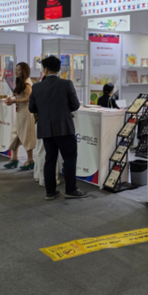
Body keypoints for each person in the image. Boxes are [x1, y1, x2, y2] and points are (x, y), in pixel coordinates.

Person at [29, 56, 88, 201]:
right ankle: (71, 190)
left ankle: (50, 192)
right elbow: (75, 105)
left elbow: (32, 108)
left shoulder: (36, 87)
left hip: (46, 128)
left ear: (45, 70)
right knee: (69, 158)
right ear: (59, 69)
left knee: (50, 159)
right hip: (64, 128)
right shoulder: (66, 84)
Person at [4, 62, 36, 170]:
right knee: (15, 135)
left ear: (24, 71)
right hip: (20, 112)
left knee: (26, 136)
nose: (16, 71)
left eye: (19, 70)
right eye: (16, 69)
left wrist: (14, 101)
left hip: (26, 112)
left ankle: (30, 160)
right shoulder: (20, 81)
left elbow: (29, 98)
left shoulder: (26, 83)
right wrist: (12, 99)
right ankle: (14, 158)